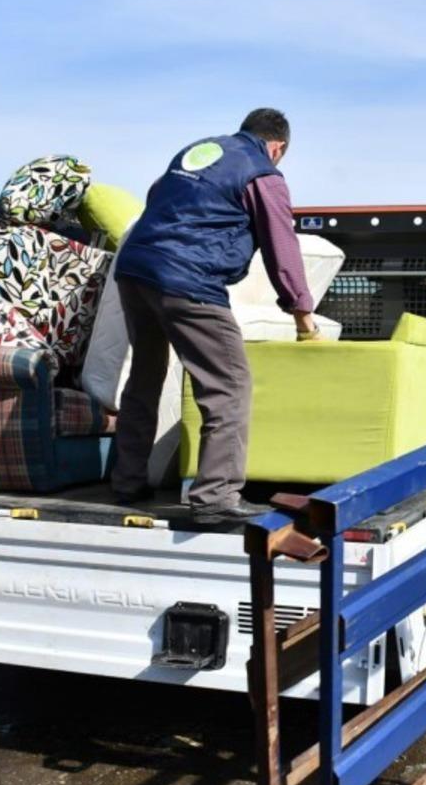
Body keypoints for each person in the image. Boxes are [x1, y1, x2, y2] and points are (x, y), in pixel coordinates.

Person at [111, 108, 320, 526]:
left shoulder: (199, 152)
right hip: (188, 279)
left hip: (136, 270)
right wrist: (302, 314)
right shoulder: (263, 172)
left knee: (146, 375)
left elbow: (157, 198)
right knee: (229, 384)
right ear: (277, 147)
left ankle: (127, 481)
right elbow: (282, 245)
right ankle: (215, 496)